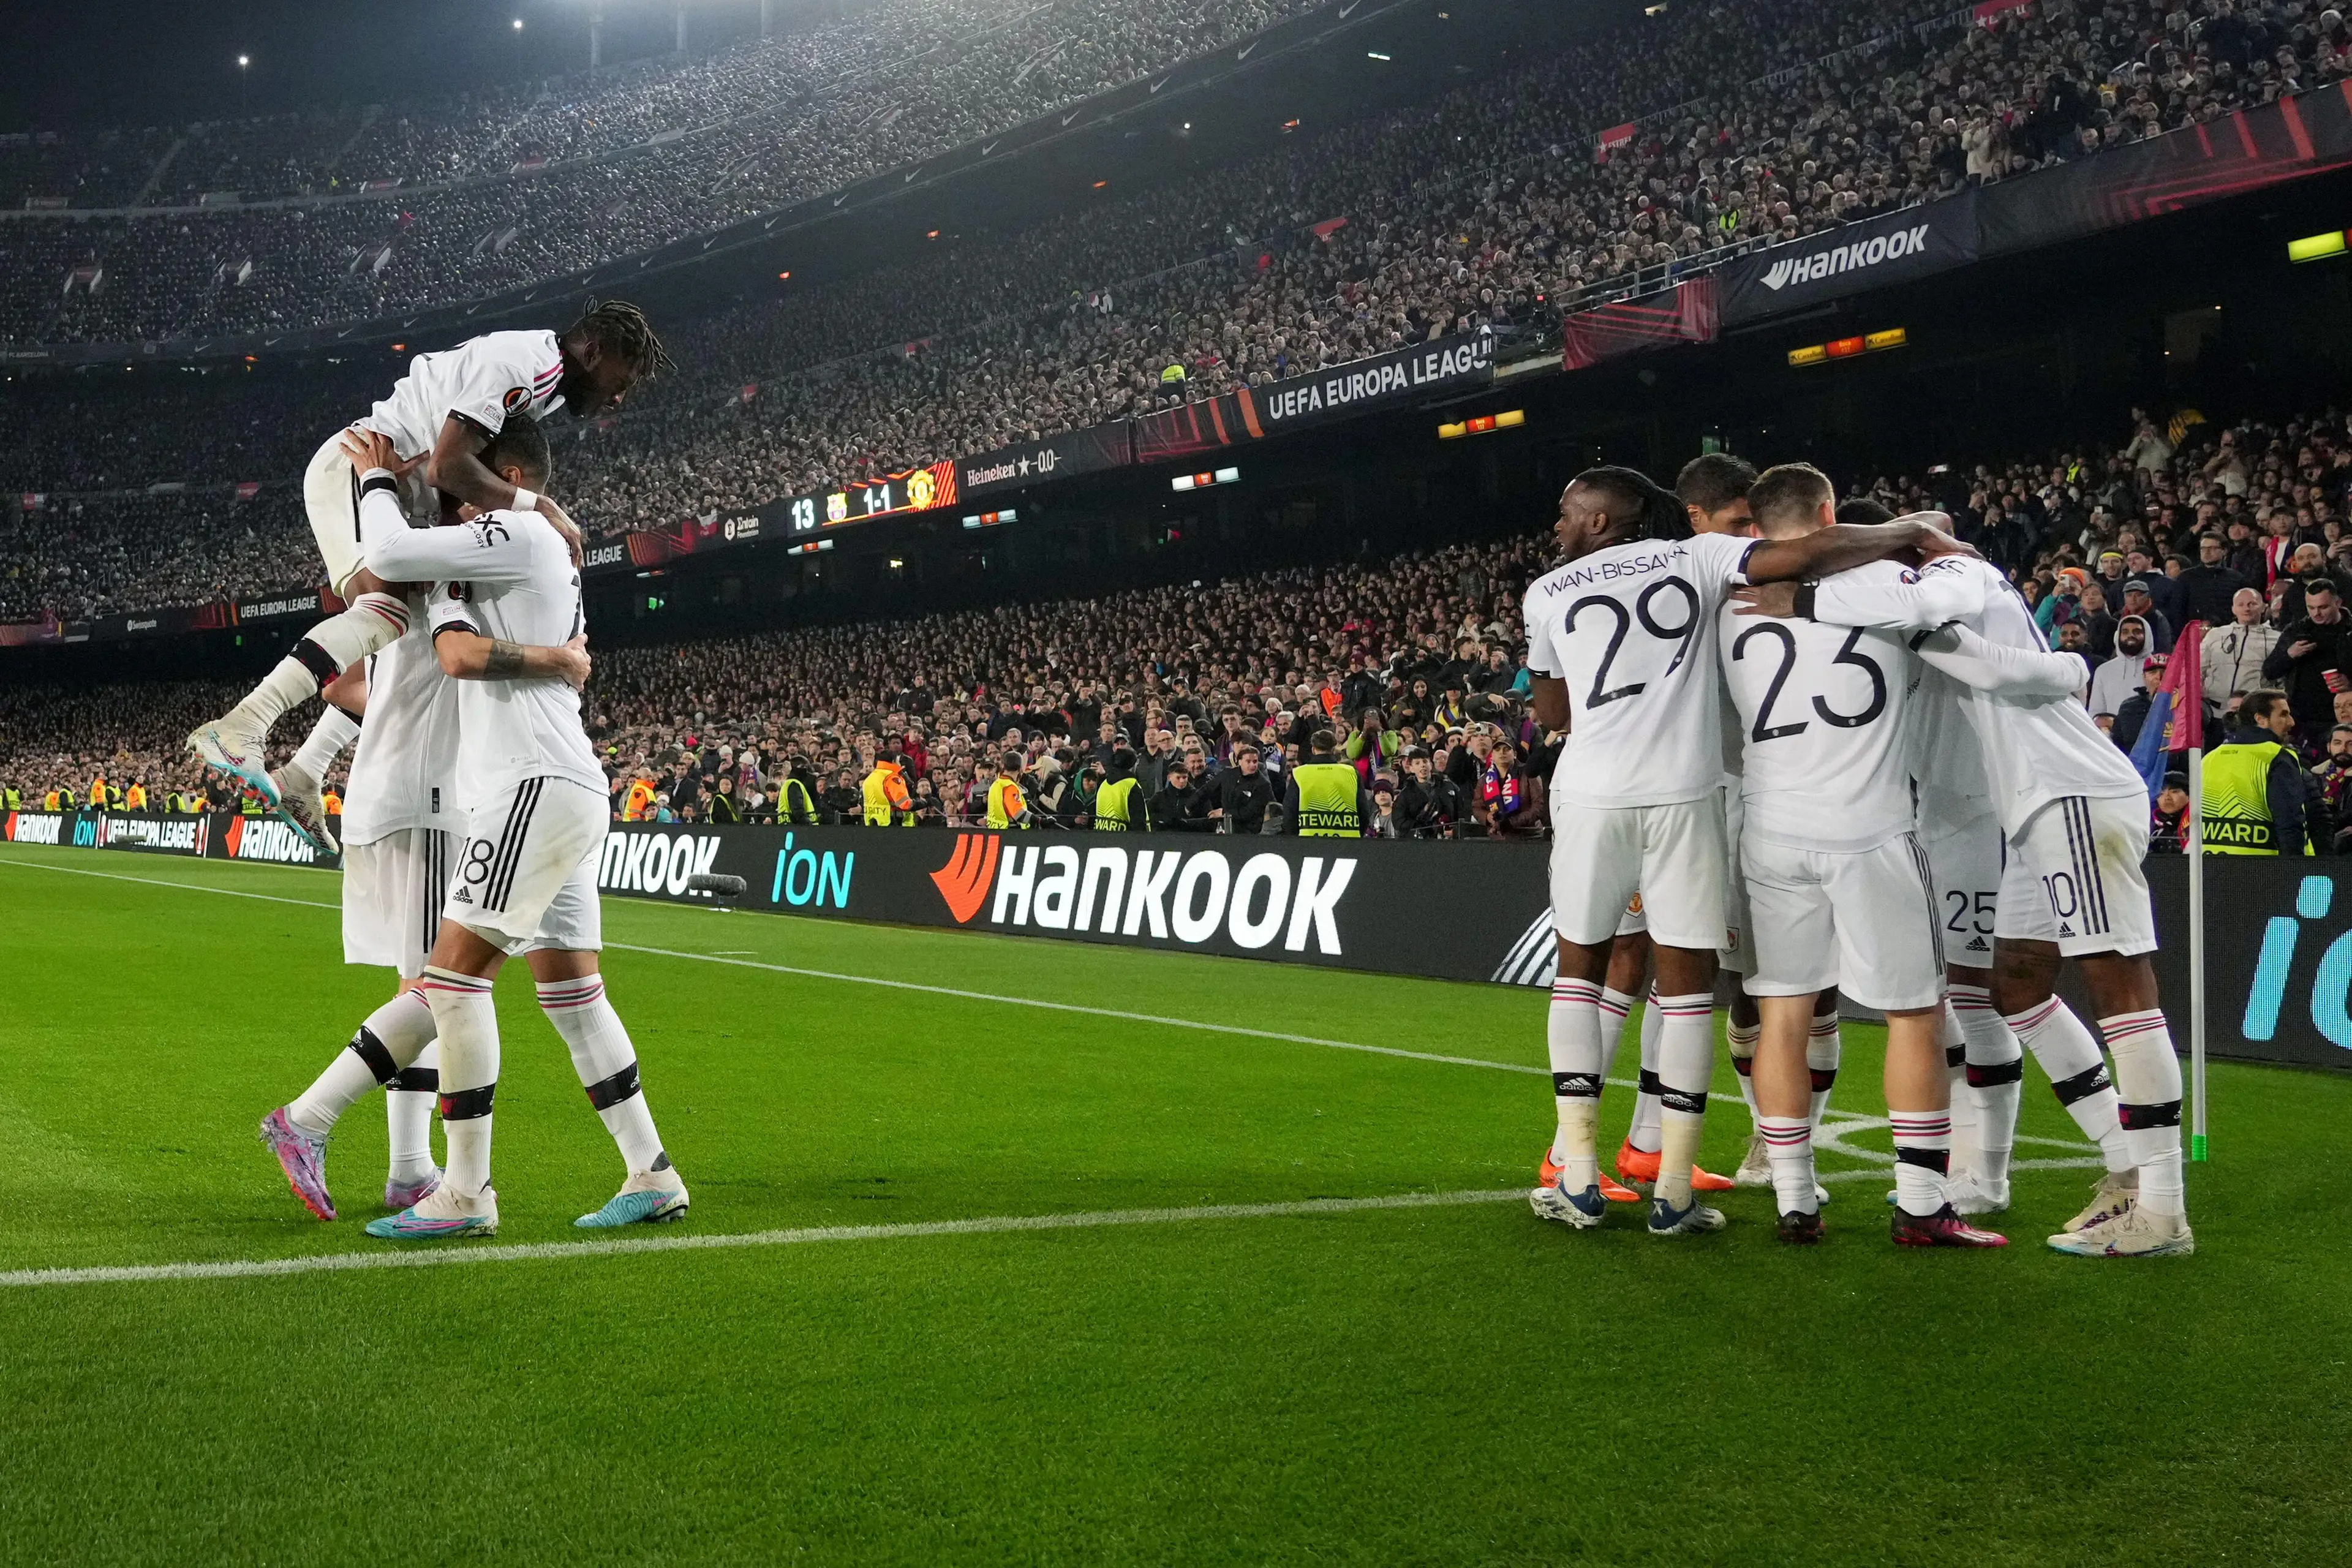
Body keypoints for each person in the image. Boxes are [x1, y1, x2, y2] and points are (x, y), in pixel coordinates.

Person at [1523, 463, 1961, 1238]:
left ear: (1599, 519)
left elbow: (1553, 711)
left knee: (1581, 968)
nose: (1556, 522)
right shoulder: (1697, 558)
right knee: (1688, 987)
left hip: (1594, 793)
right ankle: (1675, 1194)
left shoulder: (1547, 590)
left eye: (1566, 508)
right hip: (1691, 795)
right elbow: (1802, 554)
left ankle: (1576, 1172)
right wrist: (1903, 533)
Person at [1785, 506, 2197, 1257]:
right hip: (2031, 808)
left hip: (2068, 790)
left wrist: (1803, 595)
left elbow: (1968, 646)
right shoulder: (1948, 595)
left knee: (2121, 987)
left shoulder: (1950, 574)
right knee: (2016, 981)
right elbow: (1999, 664)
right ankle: (2122, 1167)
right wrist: (2064, 668)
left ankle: (2161, 1207)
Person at [309, 424, 683, 1239]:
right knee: (575, 998)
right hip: (560, 785)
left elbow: (436, 620)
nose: (442, 488)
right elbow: (443, 628)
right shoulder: (509, 546)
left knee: (450, 982)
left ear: (505, 475)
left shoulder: (515, 526)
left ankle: (466, 1192)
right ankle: (651, 1172)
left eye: (456, 477)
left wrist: (375, 483)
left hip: (530, 788)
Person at [258, 429, 591, 1221]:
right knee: (444, 987)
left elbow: (359, 692)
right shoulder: (422, 572)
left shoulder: (422, 572)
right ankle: (326, 1130)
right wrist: (555, 657)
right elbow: (361, 685)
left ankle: (408, 1169)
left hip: (432, 796)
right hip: (423, 799)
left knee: (440, 987)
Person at [190, 303, 669, 851]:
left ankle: (304, 770)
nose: (618, 398)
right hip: (366, 468)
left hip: (395, 487)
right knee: (384, 615)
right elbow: (447, 467)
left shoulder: (544, 379)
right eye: (621, 382)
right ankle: (245, 725)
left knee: (399, 637)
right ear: (593, 353)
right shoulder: (526, 367)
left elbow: (452, 471)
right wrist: (541, 507)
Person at [1721, 466, 2020, 1248]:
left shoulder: (1730, 602)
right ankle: (1921, 1204)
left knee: (1786, 1013)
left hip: (1772, 832)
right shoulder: (1883, 581)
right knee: (1914, 1012)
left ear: (1757, 527)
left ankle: (1795, 1198)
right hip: (1873, 830)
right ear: (1829, 513)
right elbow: (1961, 591)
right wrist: (1930, 536)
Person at [2201, 690, 2319, 856]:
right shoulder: (2275, 756)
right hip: (2265, 872)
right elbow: (2289, 821)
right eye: (2284, 715)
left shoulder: (2209, 759)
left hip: (2210, 869)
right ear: (2261, 720)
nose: (2291, 722)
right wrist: (2294, 870)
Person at [2261, 575, 2352, 742]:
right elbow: (2269, 671)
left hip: (2341, 718)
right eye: (2311, 607)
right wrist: (2290, 654)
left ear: (2338, 603)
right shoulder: (2296, 631)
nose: (2316, 613)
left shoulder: (2349, 631)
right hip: (2300, 719)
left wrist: (2350, 682)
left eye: (2323, 607)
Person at [2201, 587, 2280, 721]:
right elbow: (2198, 668)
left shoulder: (2277, 639)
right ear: (2233, 609)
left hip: (2254, 714)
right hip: (2214, 713)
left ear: (2263, 608)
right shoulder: (2215, 635)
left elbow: (2281, 681)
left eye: (2252, 604)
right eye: (2241, 605)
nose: (2246, 609)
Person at [1284, 730, 1370, 837]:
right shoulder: (1352, 773)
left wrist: (1295, 839)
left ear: (1313, 749)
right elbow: (1364, 813)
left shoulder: (1299, 773)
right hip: (1348, 843)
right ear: (1334, 749)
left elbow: (1290, 813)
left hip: (1309, 842)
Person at [1090, 747, 1148, 830]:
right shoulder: (1131, 785)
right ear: (1133, 765)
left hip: (1102, 839)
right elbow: (1138, 823)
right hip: (1125, 840)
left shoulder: (1104, 784)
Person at [861, 750, 916, 826]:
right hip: (893, 824)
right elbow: (904, 804)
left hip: (872, 823)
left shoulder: (870, 778)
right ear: (894, 761)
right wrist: (922, 803)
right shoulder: (892, 778)